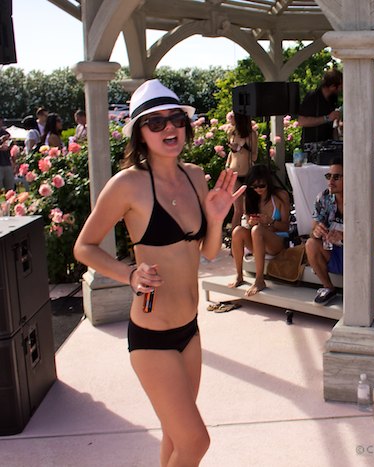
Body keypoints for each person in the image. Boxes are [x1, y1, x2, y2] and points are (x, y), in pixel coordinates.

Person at [73, 79, 245, 466]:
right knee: (196, 442)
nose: (169, 128)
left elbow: (208, 252)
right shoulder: (127, 184)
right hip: (152, 337)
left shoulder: (195, 175)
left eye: (176, 119)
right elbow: (84, 246)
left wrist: (216, 219)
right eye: (156, 122)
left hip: (190, 331)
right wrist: (130, 275)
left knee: (176, 437)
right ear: (140, 133)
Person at [229, 164, 290, 296]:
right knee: (238, 231)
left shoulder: (280, 196)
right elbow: (249, 224)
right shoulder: (251, 197)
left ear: (268, 182)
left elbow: (286, 227)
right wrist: (252, 222)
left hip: (277, 240)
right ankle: (239, 275)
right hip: (259, 239)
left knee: (257, 230)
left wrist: (270, 221)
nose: (258, 189)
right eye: (254, 186)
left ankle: (259, 279)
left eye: (262, 185)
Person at [305, 158, 344, 304]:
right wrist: (316, 231)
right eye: (329, 176)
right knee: (310, 243)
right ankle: (328, 287)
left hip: (354, 254)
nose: (330, 181)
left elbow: (368, 236)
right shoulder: (323, 198)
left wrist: (344, 237)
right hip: (331, 250)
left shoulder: (360, 200)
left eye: (336, 177)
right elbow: (313, 229)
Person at [225, 111, 258, 228]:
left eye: (233, 116)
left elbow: (254, 156)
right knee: (238, 210)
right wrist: (227, 165)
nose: (231, 118)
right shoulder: (232, 132)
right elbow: (231, 153)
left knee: (249, 209)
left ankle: (250, 234)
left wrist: (240, 148)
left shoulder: (251, 134)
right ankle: (235, 236)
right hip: (234, 173)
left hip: (247, 173)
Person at [298, 69, 343, 146]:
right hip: (312, 146)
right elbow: (302, 121)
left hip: (328, 144)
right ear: (332, 86)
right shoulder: (312, 97)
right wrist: (327, 118)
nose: (341, 89)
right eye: (340, 86)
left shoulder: (333, 98)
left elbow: (333, 125)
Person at [0, 116, 15, 191]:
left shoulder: (5, 133)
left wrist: (10, 146)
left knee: (10, 189)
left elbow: (11, 145)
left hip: (7, 163)